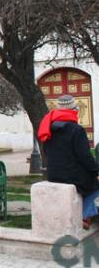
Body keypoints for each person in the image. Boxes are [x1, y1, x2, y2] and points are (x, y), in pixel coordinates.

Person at [38, 94, 99, 229]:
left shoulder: (48, 128)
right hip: (71, 176)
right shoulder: (76, 130)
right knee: (95, 186)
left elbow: (46, 152)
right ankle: (85, 215)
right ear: (73, 110)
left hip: (53, 174)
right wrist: (96, 169)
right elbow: (85, 157)